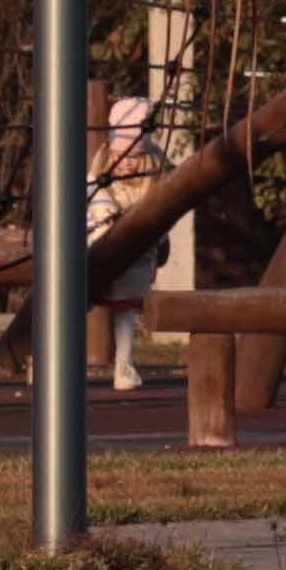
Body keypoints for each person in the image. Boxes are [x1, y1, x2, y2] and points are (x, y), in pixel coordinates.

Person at [83, 91, 164, 395]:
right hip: (108, 243)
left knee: (124, 309)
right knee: (95, 303)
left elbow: (159, 201)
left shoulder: (151, 161)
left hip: (129, 248)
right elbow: (94, 192)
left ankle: (124, 366)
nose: (129, 165)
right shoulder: (106, 160)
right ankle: (50, 360)